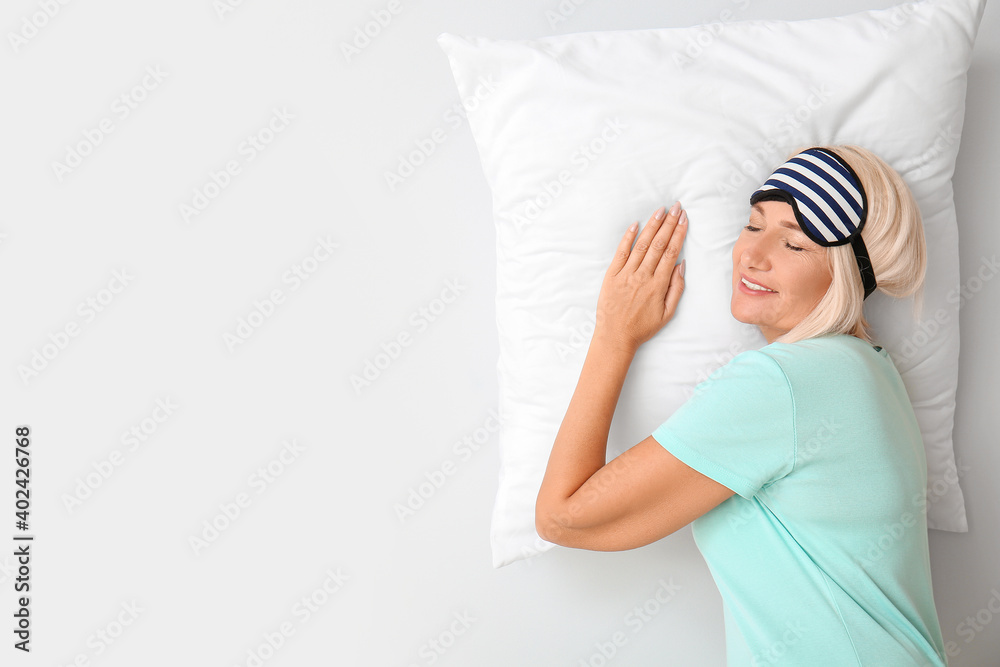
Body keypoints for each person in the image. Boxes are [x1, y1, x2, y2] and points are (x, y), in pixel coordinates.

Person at [534, 145, 948, 665]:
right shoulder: (870, 369)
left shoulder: (783, 383)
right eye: (754, 225)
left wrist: (614, 337)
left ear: (845, 272)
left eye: (794, 244)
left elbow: (562, 516)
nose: (753, 255)